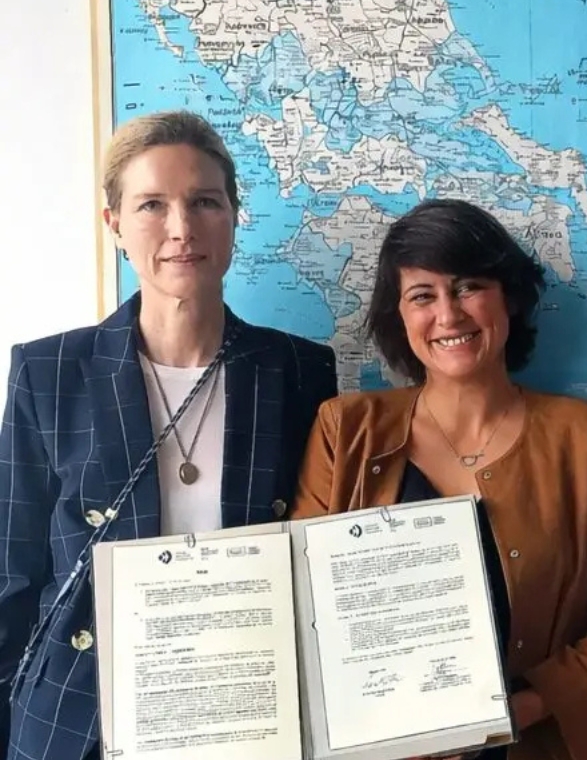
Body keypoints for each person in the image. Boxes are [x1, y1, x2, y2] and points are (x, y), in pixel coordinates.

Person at [0, 110, 339, 759]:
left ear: (234, 215)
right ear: (115, 225)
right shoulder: (48, 372)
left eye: (205, 201)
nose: (182, 228)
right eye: (152, 204)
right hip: (79, 721)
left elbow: (319, 559)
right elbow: (10, 574)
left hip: (247, 713)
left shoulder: (299, 369)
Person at [291, 197, 587, 760]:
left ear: (508, 297)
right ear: (399, 316)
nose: (448, 316)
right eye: (423, 295)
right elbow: (303, 610)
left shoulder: (583, 436)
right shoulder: (346, 430)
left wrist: (522, 709)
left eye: (469, 287)